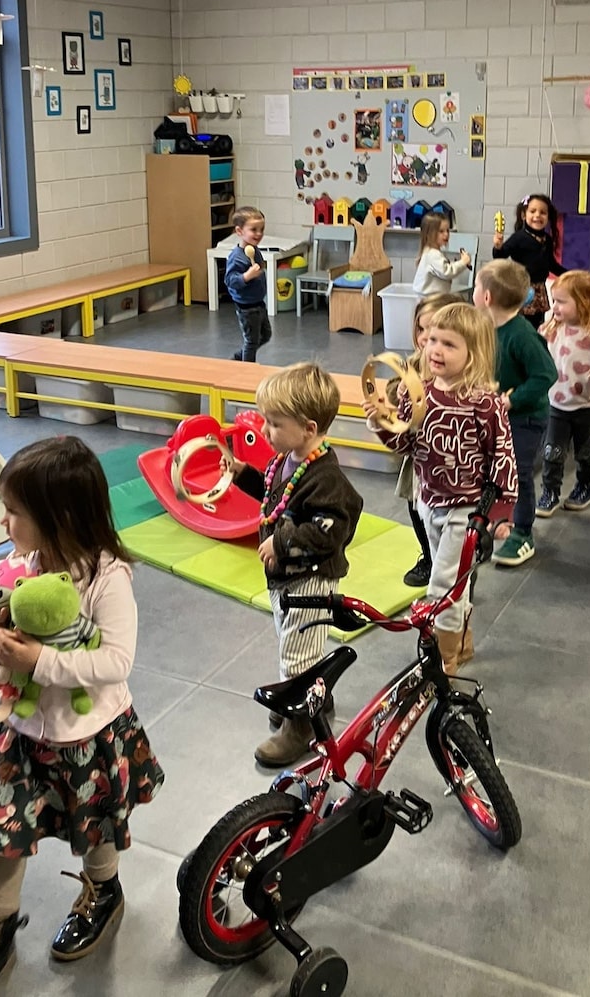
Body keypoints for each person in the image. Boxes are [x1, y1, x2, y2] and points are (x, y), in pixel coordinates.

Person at [0, 438, 163, 997]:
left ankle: (103, 889)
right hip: (22, 734)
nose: (4, 522)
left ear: (60, 517)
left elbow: (116, 661)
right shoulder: (19, 565)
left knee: (94, 823)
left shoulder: (107, 578)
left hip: (89, 735)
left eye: (14, 512)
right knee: (3, 829)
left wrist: (40, 662)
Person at [364, 303, 518, 674]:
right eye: (432, 339)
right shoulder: (417, 394)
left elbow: (503, 456)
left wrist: (500, 514)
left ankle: (445, 658)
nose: (435, 349)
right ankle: (462, 640)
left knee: (443, 585)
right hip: (429, 500)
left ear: (473, 354)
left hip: (467, 507)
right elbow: (406, 444)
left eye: (449, 344)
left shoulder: (485, 404)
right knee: (456, 582)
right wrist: (382, 423)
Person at [232, 363, 363, 768]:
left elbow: (329, 530)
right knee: (291, 640)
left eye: (275, 423)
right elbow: (279, 499)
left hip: (310, 581)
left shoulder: (326, 478)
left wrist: (282, 541)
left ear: (308, 428)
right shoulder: (289, 460)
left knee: (298, 654)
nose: (266, 430)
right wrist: (244, 476)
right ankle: (313, 698)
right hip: (285, 579)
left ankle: (302, 726)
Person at [474, 259, 557, 566]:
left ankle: (523, 534)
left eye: (476, 286)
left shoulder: (521, 334)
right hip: (500, 417)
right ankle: (498, 519)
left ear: (486, 297)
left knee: (518, 474)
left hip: (526, 419)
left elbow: (546, 374)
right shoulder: (487, 329)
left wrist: (513, 400)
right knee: (493, 471)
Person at [535, 271, 590, 516]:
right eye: (554, 301)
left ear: (583, 303)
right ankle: (550, 491)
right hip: (557, 403)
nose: (555, 307)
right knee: (552, 451)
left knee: (584, 452)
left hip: (588, 406)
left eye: (561, 302)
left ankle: (585, 487)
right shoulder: (553, 328)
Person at [391, 292, 463, 586]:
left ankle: (452, 564)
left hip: (446, 458)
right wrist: (398, 389)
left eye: (432, 330)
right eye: (420, 329)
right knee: (415, 507)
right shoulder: (414, 362)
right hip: (417, 455)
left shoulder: (457, 368)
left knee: (446, 515)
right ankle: (429, 557)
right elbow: (396, 389)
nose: (424, 337)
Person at [492, 193, 565, 328]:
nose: (537, 215)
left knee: (537, 325)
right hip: (522, 289)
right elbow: (500, 256)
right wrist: (498, 246)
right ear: (523, 215)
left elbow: (551, 264)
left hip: (539, 291)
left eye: (543, 212)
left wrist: (569, 274)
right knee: (521, 325)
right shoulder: (519, 238)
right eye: (533, 211)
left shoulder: (547, 240)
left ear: (548, 216)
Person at [224, 206, 270, 363]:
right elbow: (230, 280)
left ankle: (240, 357)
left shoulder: (254, 250)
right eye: (254, 230)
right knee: (251, 341)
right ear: (239, 231)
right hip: (247, 308)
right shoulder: (236, 257)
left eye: (261, 229)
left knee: (266, 335)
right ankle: (247, 369)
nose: (259, 234)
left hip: (259, 303)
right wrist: (246, 276)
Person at [412, 214, 472, 295]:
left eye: (447, 230)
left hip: (432, 297)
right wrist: (463, 262)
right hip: (430, 298)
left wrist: (457, 263)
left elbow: (443, 268)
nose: (446, 234)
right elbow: (447, 272)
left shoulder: (431, 251)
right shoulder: (433, 254)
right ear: (429, 234)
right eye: (441, 231)